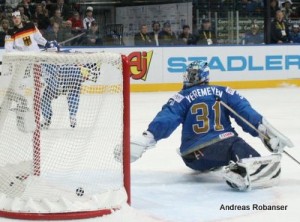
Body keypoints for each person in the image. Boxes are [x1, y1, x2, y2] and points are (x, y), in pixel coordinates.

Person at [127, 60, 293, 191]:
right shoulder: (224, 91)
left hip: (192, 157)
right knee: (237, 144)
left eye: (192, 75)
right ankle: (242, 173)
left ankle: (234, 167)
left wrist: (147, 137)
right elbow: (245, 113)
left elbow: (167, 118)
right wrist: (264, 132)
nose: (190, 78)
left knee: (229, 144)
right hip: (220, 146)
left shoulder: (182, 96)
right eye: (189, 74)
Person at [3, 10, 58, 132]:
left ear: (21, 17)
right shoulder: (10, 33)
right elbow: (8, 50)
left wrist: (47, 44)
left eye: (17, 16)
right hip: (24, 66)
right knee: (22, 92)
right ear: (12, 20)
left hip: (37, 62)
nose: (16, 19)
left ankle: (45, 119)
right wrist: (25, 55)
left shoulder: (31, 26)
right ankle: (24, 119)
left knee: (42, 91)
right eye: (14, 18)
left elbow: (39, 38)